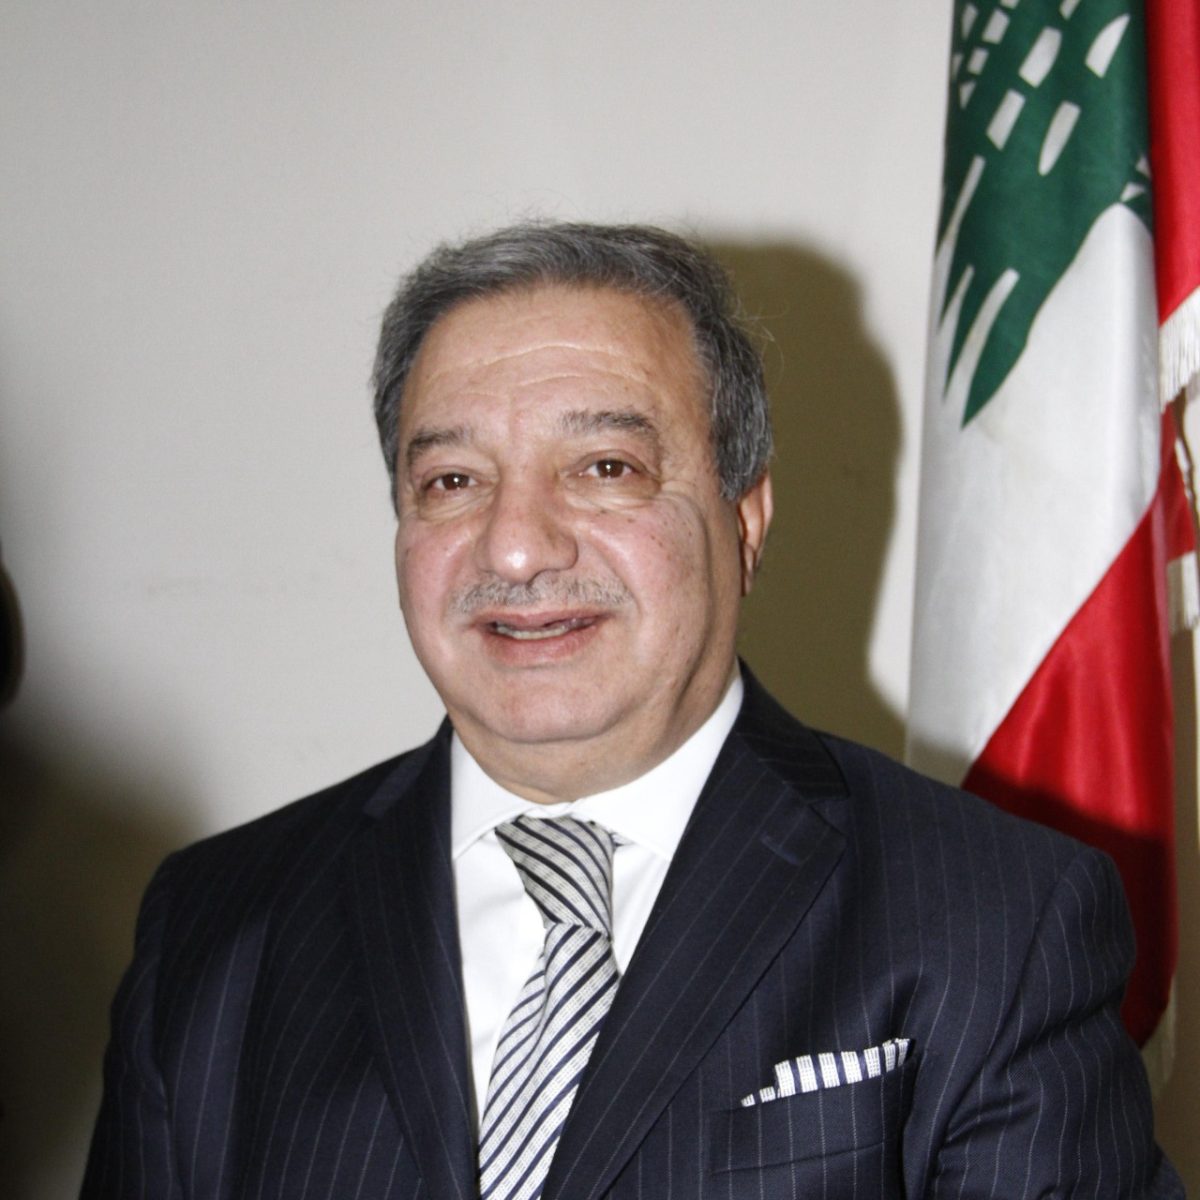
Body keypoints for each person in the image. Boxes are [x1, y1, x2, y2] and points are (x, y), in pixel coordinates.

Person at [81, 222, 1182, 1199]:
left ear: (745, 522)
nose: (517, 547)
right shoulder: (213, 928)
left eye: (604, 467)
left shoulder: (996, 920)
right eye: (453, 481)